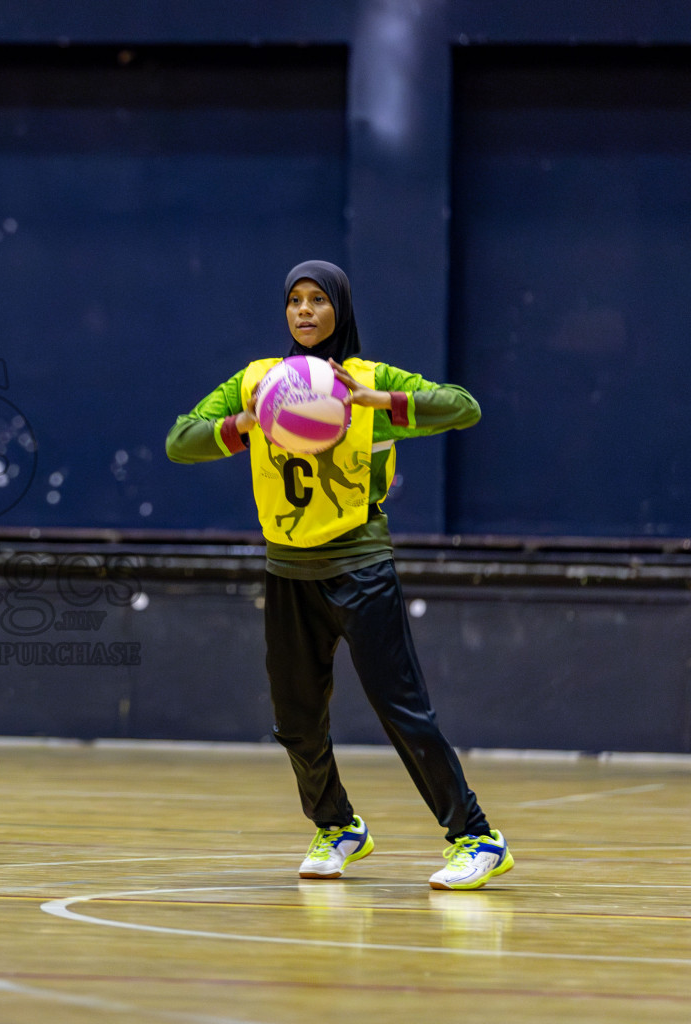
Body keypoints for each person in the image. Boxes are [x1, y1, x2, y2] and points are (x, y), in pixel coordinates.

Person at [165, 260, 514, 891]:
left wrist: (382, 402)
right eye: (294, 300)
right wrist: (242, 425)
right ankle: (338, 826)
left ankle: (476, 837)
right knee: (296, 719)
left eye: (317, 301)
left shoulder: (365, 381)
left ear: (340, 310)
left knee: (401, 710)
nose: (304, 311)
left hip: (360, 567)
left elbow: (464, 407)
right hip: (287, 570)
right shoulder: (257, 382)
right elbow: (179, 440)